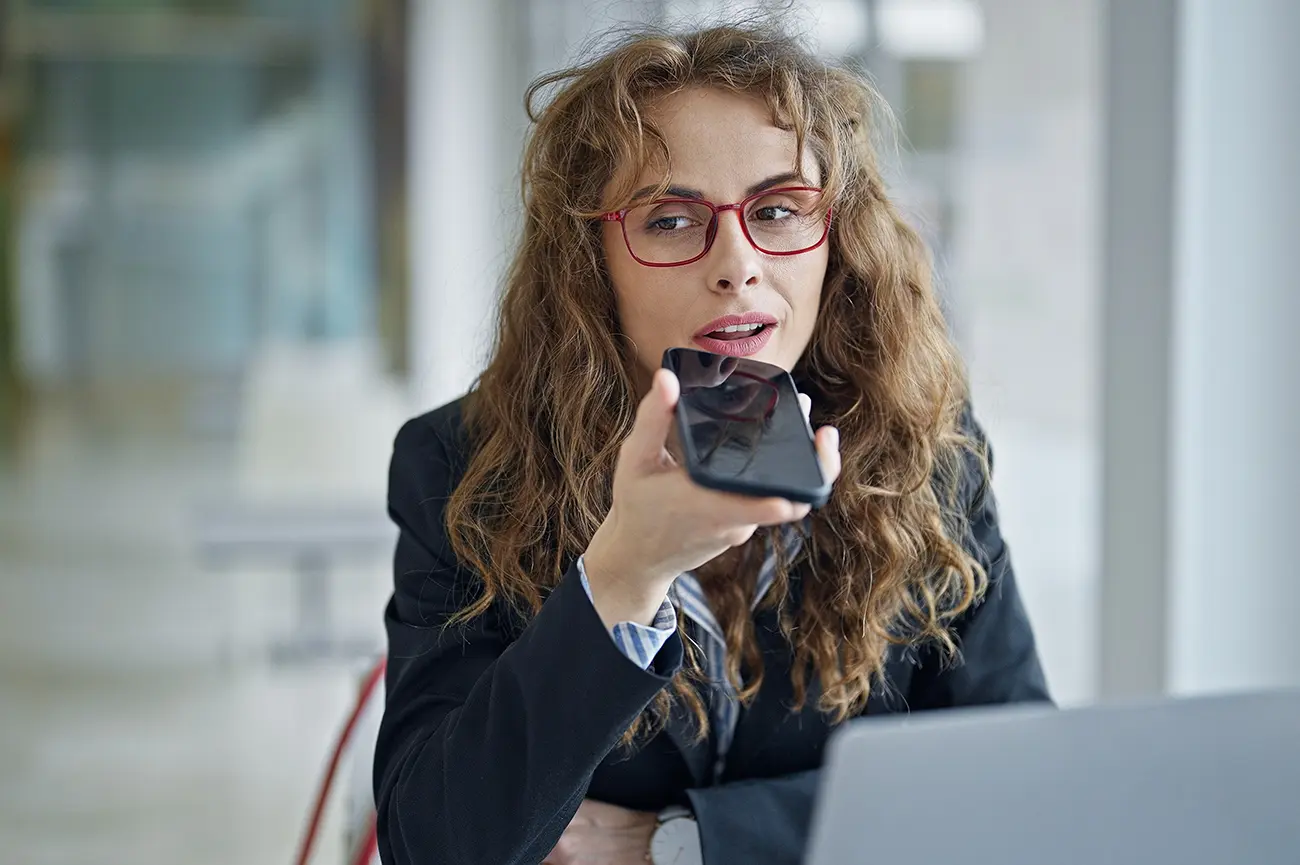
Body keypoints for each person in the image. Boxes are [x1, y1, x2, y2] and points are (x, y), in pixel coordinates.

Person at [374, 21, 1050, 865]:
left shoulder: (927, 453)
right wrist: (621, 577)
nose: (738, 263)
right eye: (670, 219)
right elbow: (434, 841)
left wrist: (682, 842)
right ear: (591, 263)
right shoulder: (463, 463)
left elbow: (1019, 784)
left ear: (836, 242)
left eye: (776, 210)